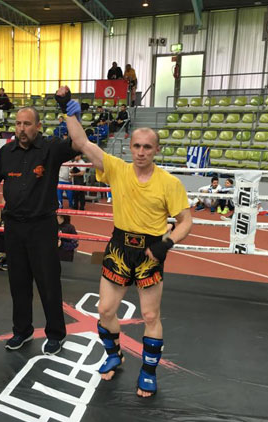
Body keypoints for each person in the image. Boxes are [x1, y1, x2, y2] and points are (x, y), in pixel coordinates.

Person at [57, 86, 192, 397]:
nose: (141, 152)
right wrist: (67, 109)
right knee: (105, 310)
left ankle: (148, 372)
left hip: (150, 251)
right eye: (137, 146)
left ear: (156, 150)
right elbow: (82, 143)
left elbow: (186, 221)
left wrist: (166, 243)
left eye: (147, 147)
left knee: (150, 316)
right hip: (119, 247)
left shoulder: (169, 183)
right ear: (130, 147)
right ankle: (114, 354)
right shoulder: (117, 169)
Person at [0, 106, 78, 356]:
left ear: (38, 126)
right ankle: (22, 330)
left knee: (49, 283)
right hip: (14, 227)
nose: (21, 129)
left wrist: (71, 114)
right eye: (18, 124)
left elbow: (77, 143)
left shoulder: (50, 149)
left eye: (27, 124)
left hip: (42, 226)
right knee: (18, 282)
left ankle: (56, 333)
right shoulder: (6, 152)